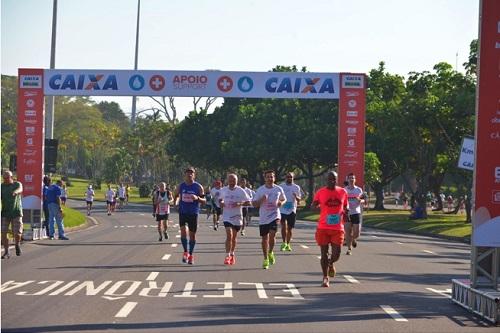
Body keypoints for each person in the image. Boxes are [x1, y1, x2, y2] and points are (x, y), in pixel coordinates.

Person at [312, 171, 348, 287]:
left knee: (337, 254)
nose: (332, 181)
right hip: (323, 227)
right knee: (324, 253)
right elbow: (314, 205)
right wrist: (315, 207)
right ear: (325, 180)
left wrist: (346, 212)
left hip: (338, 227)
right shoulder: (320, 192)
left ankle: (331, 263)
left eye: (334, 179)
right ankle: (325, 277)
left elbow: (345, 206)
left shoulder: (342, 192)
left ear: (337, 180)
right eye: (330, 179)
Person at [252, 170, 286, 269]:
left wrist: (281, 203)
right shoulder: (260, 190)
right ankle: (266, 258)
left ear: (274, 178)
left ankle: (271, 251)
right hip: (263, 218)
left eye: (271, 177)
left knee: (272, 234)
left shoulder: (278, 189)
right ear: (265, 178)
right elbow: (254, 204)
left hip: (275, 215)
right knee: (264, 238)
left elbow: (284, 199)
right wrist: (261, 200)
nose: (270, 179)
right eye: (268, 177)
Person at [174, 167, 206, 265]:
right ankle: (185, 252)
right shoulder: (181, 186)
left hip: (193, 213)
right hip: (183, 212)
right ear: (185, 175)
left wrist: (197, 198)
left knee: (192, 235)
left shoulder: (198, 187)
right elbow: (176, 195)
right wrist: (175, 204)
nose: (189, 175)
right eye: (188, 173)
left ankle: (191, 255)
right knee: (183, 231)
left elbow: (204, 201)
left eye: (191, 173)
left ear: (194, 175)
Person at [219, 173, 251, 265]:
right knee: (229, 234)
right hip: (227, 216)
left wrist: (240, 204)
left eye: (234, 180)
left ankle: (232, 253)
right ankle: (227, 255)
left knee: (234, 237)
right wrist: (221, 202)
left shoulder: (240, 191)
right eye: (230, 180)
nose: (232, 182)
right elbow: (220, 199)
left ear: (237, 181)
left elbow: (249, 202)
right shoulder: (224, 190)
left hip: (237, 217)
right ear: (227, 181)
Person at [1, 170, 23, 258]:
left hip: (16, 212)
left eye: (7, 178)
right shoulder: (2, 186)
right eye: (4, 178)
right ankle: (6, 252)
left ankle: (17, 244)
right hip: (5, 213)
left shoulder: (17, 184)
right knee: (3, 232)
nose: (5, 180)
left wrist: (15, 192)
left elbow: (20, 189)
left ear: (11, 177)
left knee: (17, 233)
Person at [279, 172, 303, 252]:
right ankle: (283, 243)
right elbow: (278, 196)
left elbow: (299, 199)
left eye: (291, 177)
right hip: (283, 209)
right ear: (285, 177)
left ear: (293, 178)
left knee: (289, 228)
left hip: (292, 209)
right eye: (288, 177)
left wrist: (296, 197)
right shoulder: (281, 186)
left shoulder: (296, 187)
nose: (289, 178)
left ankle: (288, 244)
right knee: (284, 226)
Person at [344, 173, 365, 255]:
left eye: (353, 178)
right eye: (350, 178)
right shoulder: (344, 190)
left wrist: (360, 200)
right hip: (347, 213)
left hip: (356, 212)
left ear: (355, 180)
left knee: (356, 233)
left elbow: (363, 200)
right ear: (347, 180)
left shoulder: (359, 190)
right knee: (348, 231)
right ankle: (349, 249)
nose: (351, 179)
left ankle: (353, 239)